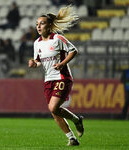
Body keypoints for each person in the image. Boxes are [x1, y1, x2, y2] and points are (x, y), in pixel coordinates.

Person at [28, 5, 84, 146]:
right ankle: (72, 137)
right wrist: (34, 63)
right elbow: (38, 61)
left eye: (42, 23)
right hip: (48, 79)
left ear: (50, 25)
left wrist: (62, 63)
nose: (38, 26)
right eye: (37, 24)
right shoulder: (37, 43)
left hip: (62, 77)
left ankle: (77, 120)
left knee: (53, 108)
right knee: (54, 112)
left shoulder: (57, 38)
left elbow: (73, 50)